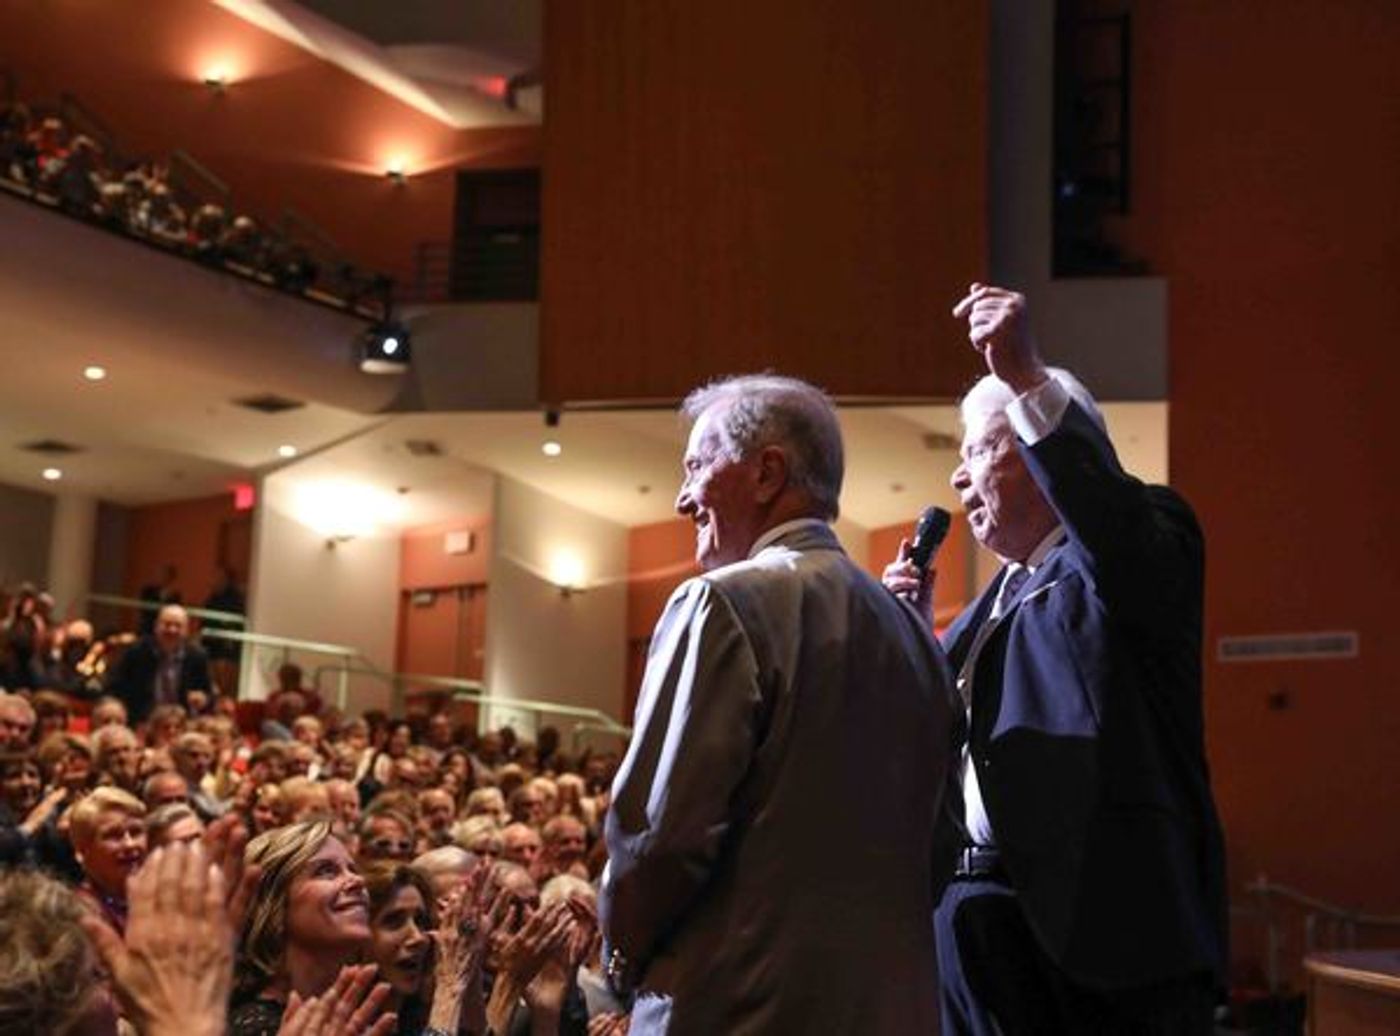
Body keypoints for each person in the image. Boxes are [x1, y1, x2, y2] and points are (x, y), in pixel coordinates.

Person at [883, 283, 1227, 1034]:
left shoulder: (1135, 547)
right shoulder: (975, 617)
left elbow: (1109, 514)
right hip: (970, 926)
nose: (958, 476)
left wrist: (1024, 375)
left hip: (1099, 938)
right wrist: (913, 643)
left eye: (977, 448)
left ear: (1043, 455)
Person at [602, 373, 954, 1034]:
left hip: (737, 1010)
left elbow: (662, 836)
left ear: (767, 473)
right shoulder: (915, 636)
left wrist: (620, 959)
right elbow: (937, 844)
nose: (682, 498)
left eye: (697, 466)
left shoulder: (721, 603)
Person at [231, 820, 382, 1034]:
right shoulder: (253, 1027)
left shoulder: (358, 1017)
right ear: (274, 902)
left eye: (352, 869)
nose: (357, 880)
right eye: (326, 871)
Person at [105, 604, 212, 724]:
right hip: (142, 722)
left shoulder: (197, 656)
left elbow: (208, 693)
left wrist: (203, 698)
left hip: (181, 724)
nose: (172, 630)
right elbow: (115, 687)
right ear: (156, 626)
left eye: (178, 626)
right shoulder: (137, 651)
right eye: (167, 624)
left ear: (186, 630)